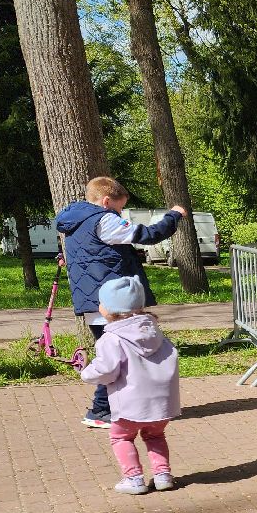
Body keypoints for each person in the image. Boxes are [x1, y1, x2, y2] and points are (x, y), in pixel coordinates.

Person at [56, 177, 187, 430]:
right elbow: (148, 235)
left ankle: (110, 407)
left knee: (115, 356)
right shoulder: (104, 219)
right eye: (118, 208)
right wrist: (174, 216)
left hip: (95, 300)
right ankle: (102, 410)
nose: (120, 214)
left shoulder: (76, 221)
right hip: (113, 301)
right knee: (120, 359)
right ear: (106, 202)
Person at [78, 276, 181, 495]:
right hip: (162, 404)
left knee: (121, 437)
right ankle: (163, 475)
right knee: (155, 436)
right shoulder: (155, 332)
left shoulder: (112, 338)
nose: (100, 307)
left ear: (110, 310)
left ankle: (133, 478)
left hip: (130, 404)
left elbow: (106, 370)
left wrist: (86, 373)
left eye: (102, 303)